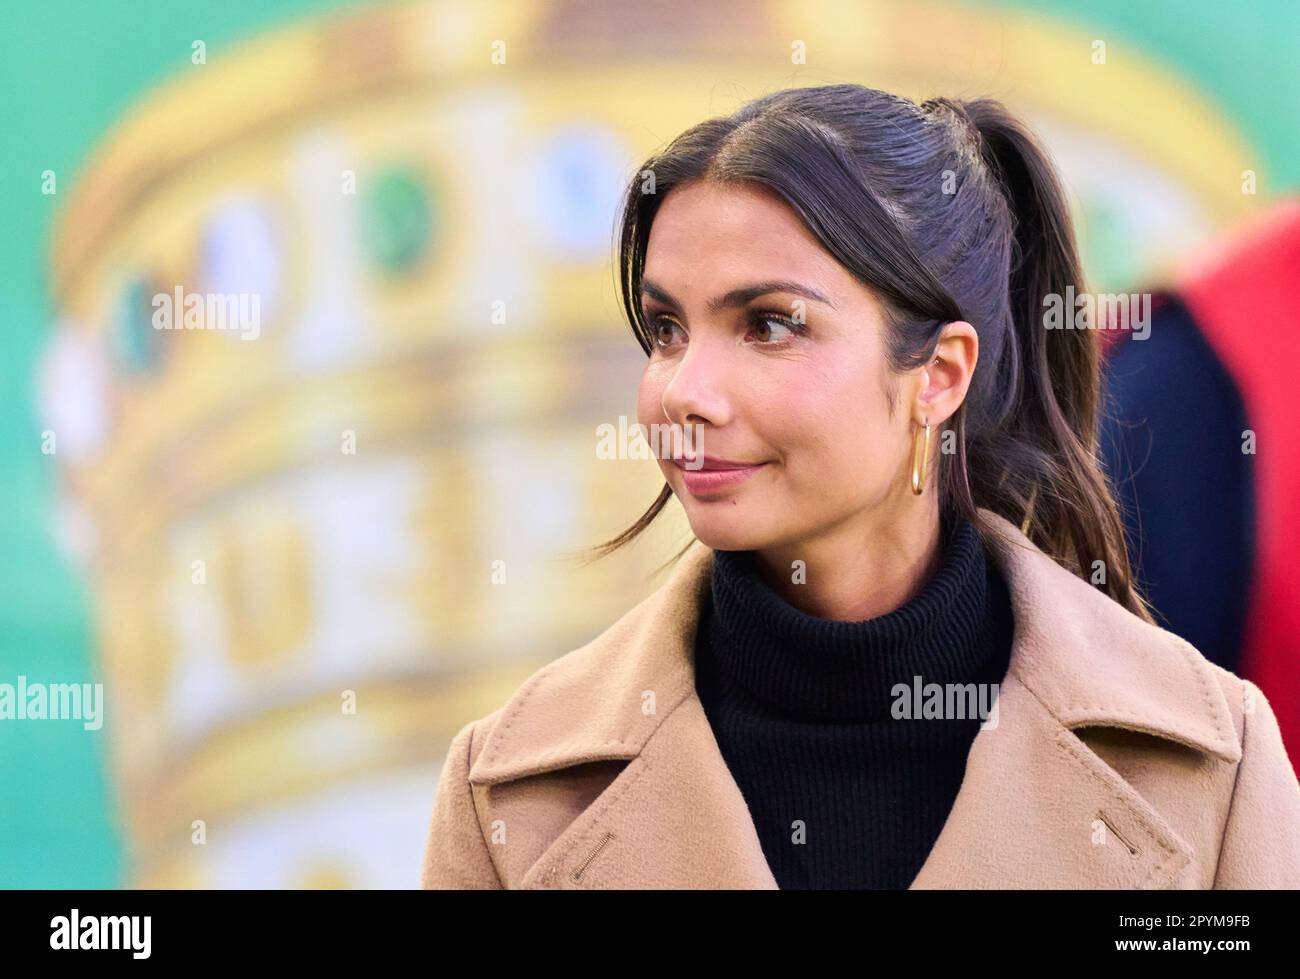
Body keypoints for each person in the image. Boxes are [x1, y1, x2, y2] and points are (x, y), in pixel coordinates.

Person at [420, 85, 1300, 889]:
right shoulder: (509, 795)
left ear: (942, 374)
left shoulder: (1211, 767)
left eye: (768, 325)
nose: (682, 391)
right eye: (666, 328)